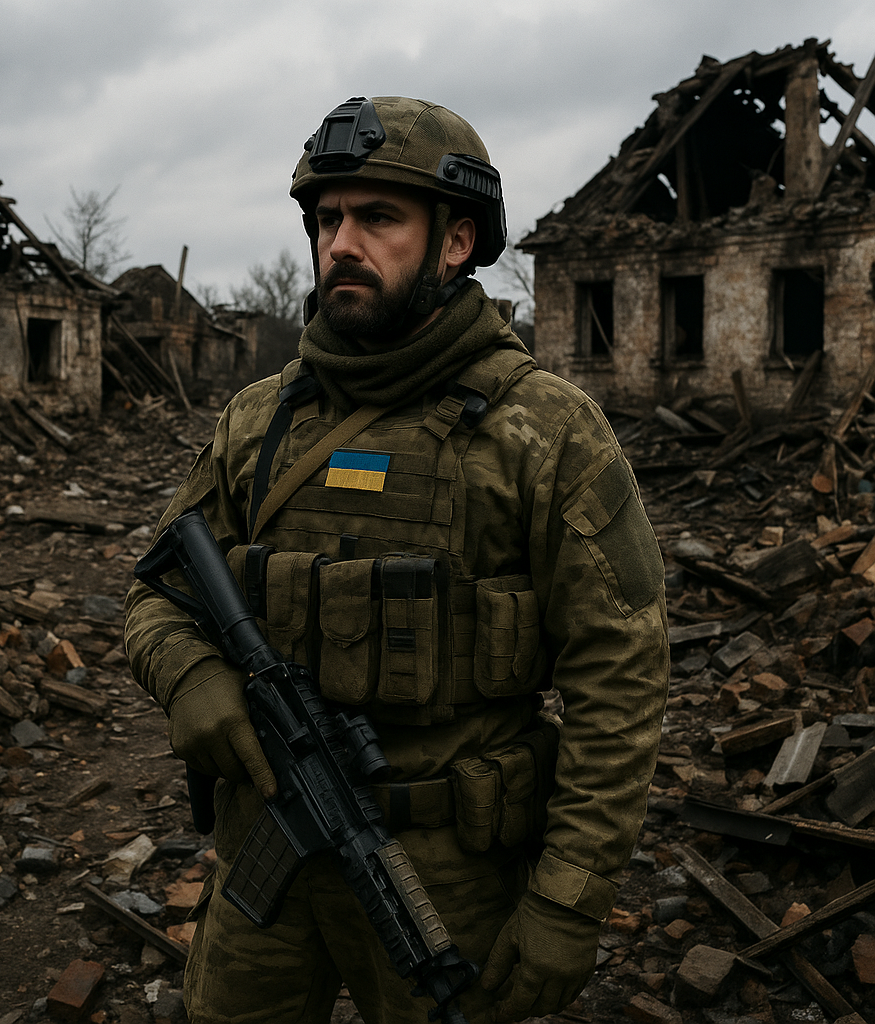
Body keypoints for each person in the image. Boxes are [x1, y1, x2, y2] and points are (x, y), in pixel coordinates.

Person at [125, 95, 669, 1024]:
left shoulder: (545, 430)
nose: (342, 242)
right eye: (328, 218)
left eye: (379, 217)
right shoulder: (260, 419)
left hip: (447, 871)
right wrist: (190, 677)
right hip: (269, 842)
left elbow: (620, 680)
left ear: (457, 241)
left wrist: (568, 901)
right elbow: (158, 596)